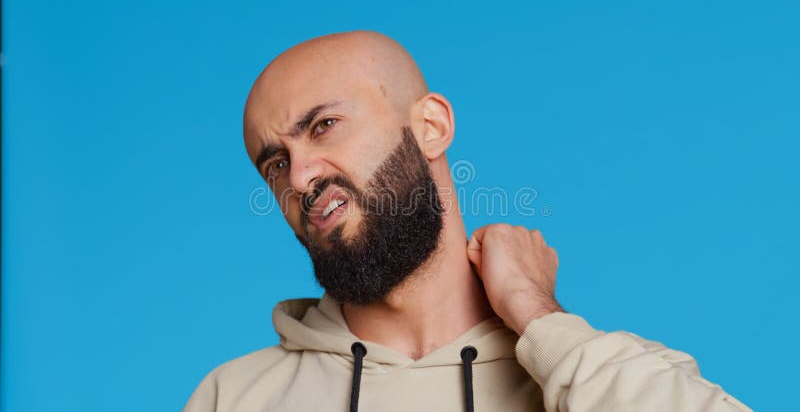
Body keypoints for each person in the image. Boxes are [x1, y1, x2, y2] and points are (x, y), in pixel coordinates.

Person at [183, 31, 751, 412]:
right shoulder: (232, 397)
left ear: (431, 126)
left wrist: (539, 317)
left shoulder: (596, 373)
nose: (301, 177)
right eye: (275, 163)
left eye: (325, 125)